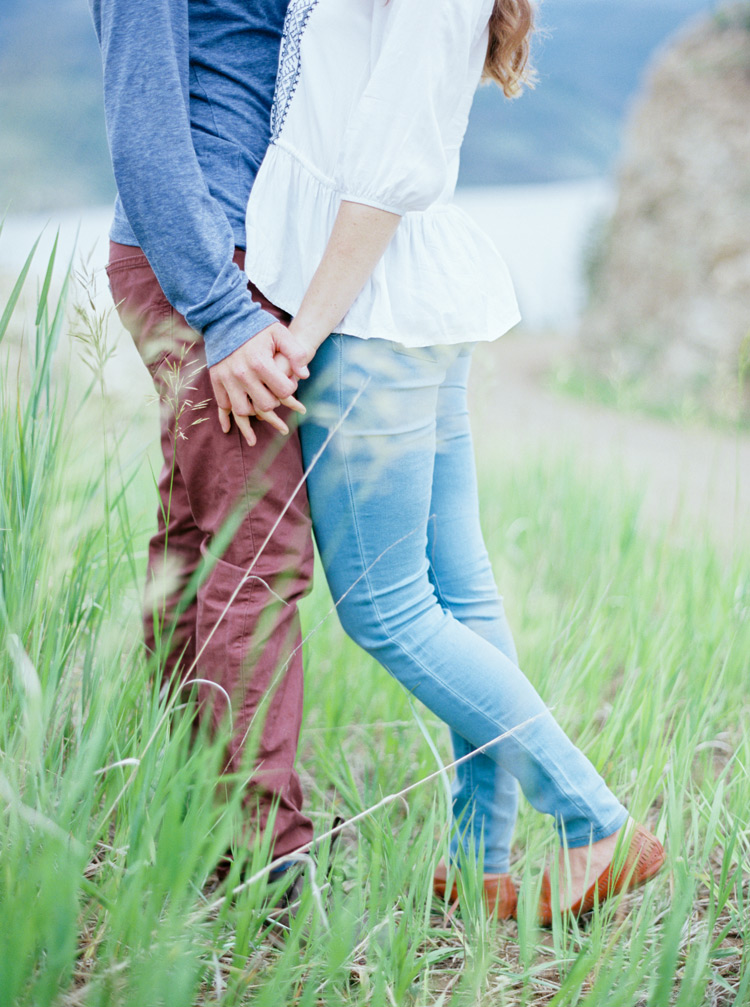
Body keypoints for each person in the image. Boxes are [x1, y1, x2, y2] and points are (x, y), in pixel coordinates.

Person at [235, 0, 666, 923]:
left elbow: (390, 166)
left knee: (385, 608)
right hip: (401, 301)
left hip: (367, 311)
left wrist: (303, 331)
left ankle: (595, 819)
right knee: (457, 597)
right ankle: (481, 858)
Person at [89, 0, 317, 879]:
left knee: (199, 536)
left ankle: (185, 802)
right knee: (260, 549)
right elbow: (140, 124)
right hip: (204, 264)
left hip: (230, 256)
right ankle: (269, 857)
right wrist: (220, 311)